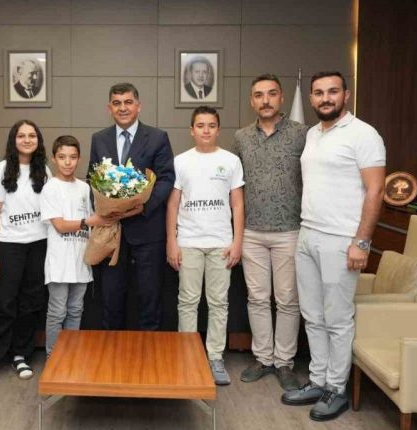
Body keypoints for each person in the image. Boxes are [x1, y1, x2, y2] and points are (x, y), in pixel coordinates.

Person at [281, 71, 385, 421]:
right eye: (319, 93)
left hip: (342, 239)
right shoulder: (312, 134)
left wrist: (361, 242)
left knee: (337, 318)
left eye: (332, 91)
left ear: (346, 95)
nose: (326, 98)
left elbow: (376, 190)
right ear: (311, 98)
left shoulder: (364, 134)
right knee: (313, 315)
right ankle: (318, 380)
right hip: (308, 233)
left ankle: (336, 389)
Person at [235, 74, 308, 391]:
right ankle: (263, 358)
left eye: (271, 94)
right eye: (258, 95)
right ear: (251, 101)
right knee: (257, 298)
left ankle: (284, 362)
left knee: (288, 300)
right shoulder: (241, 137)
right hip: (251, 231)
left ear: (281, 98)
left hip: (289, 231)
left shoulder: (302, 134)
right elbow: (236, 187)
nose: (265, 100)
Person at [166, 106, 243, 385]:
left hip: (221, 242)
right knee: (187, 301)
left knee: (219, 302)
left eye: (211, 125)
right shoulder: (180, 161)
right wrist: (171, 241)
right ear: (192, 130)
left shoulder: (231, 161)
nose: (206, 130)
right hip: (189, 241)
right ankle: (187, 355)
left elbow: (237, 204)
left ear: (218, 129)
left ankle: (215, 357)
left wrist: (237, 241)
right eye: (200, 125)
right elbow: (173, 205)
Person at [88, 82, 175, 330]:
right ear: (109, 108)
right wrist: (106, 207)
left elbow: (166, 178)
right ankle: (112, 349)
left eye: (128, 102)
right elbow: (93, 177)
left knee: (150, 297)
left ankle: (149, 349)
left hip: (147, 230)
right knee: (111, 298)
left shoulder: (157, 137)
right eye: (117, 103)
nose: (123, 108)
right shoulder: (99, 139)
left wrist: (143, 207)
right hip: (112, 232)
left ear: (138, 106)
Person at [0, 119, 51, 388]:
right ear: (13, 140)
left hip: (39, 245)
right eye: (21, 135)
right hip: (9, 246)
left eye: (32, 135)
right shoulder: (1, 169)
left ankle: (20, 354)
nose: (27, 140)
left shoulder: (44, 170)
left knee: (30, 303)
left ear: (38, 140)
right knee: (3, 303)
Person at [40, 135, 107, 358]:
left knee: (76, 310)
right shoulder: (50, 188)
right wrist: (89, 222)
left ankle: (71, 356)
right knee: (57, 312)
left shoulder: (85, 188)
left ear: (79, 159)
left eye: (72, 157)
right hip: (59, 262)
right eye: (62, 157)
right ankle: (53, 357)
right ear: (53, 159)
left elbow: (94, 221)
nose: (67, 162)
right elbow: (59, 225)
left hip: (81, 259)